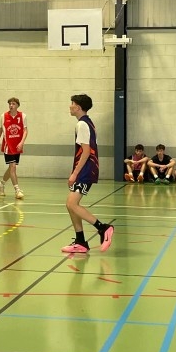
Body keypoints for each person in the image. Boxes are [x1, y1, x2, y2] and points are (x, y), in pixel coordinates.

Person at [61, 94, 113, 254]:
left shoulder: (82, 124)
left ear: (78, 107)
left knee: (72, 204)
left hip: (85, 169)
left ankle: (103, 228)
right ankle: (81, 241)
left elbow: (85, 152)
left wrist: (75, 173)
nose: (70, 106)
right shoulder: (87, 122)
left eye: (72, 103)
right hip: (85, 168)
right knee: (71, 205)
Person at [0, 97, 28, 199]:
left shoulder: (22, 116)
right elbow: (0, 130)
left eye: (13, 104)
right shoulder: (4, 116)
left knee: (11, 168)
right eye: (10, 103)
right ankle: (17, 190)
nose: (11, 105)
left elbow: (26, 131)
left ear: (17, 105)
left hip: (17, 146)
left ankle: (1, 184)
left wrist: (22, 142)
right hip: (7, 146)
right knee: (13, 167)